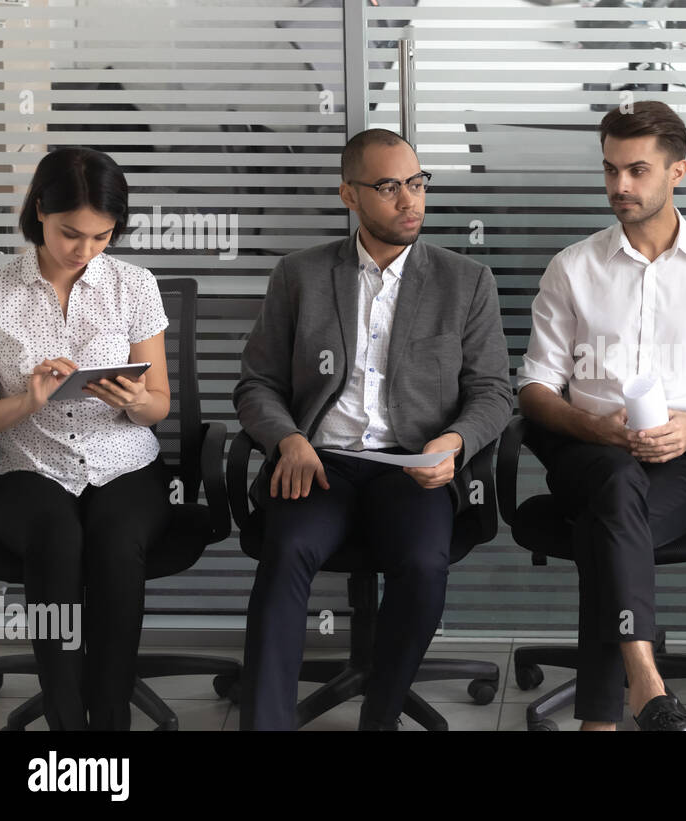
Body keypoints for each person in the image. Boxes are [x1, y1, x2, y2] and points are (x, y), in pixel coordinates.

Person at [234, 128, 512, 730]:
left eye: (416, 183)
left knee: (423, 562)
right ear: (349, 195)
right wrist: (289, 440)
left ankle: (379, 715)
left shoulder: (465, 281)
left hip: (410, 468)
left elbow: (493, 392)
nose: (409, 200)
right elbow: (256, 384)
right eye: (389, 187)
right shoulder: (300, 276)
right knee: (286, 552)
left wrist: (456, 442)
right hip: (321, 463)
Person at [518, 101, 686, 731]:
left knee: (606, 523)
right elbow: (533, 388)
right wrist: (596, 427)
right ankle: (643, 678)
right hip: (588, 450)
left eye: (637, 170)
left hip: (684, 458)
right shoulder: (573, 267)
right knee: (612, 484)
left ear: (678, 172)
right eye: (610, 171)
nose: (619, 187)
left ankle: (601, 719)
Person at [0, 147, 172, 730]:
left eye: (101, 236)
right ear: (39, 210)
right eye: (70, 234)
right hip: (29, 467)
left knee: (116, 545)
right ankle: (66, 729)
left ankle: (110, 723)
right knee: (56, 541)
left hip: (124, 464)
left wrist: (138, 402)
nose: (84, 250)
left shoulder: (134, 287)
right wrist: (26, 401)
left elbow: (160, 405)